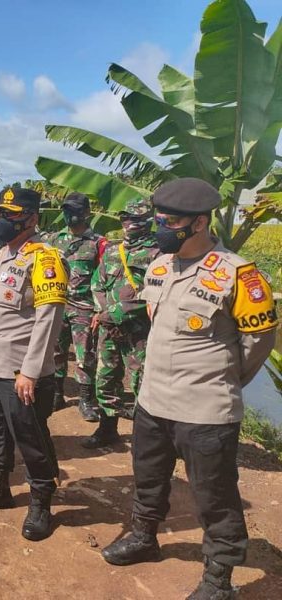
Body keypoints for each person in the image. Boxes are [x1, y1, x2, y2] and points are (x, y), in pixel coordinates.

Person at [100, 178, 278, 599]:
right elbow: (155, 321)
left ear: (199, 223)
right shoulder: (161, 265)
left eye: (170, 221)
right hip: (153, 401)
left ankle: (219, 579)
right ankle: (144, 537)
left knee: (214, 497)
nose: (161, 227)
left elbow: (259, 342)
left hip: (205, 411)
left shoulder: (238, 274)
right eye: (159, 219)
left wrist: (223, 381)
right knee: (148, 479)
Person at [0, 187, 65, 542]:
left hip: (22, 371)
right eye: (1, 214)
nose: (3, 221)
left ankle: (40, 502)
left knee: (31, 437)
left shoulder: (45, 258)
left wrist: (31, 371)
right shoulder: (3, 255)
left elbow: (48, 319)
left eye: (12, 215)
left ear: (32, 219)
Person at [83, 198, 160, 448]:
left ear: (148, 221)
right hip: (108, 326)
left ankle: (144, 435)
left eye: (135, 220)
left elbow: (154, 292)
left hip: (138, 329)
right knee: (105, 376)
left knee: (141, 380)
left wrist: (114, 313)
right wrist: (102, 310)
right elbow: (98, 282)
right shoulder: (115, 250)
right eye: (126, 219)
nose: (129, 225)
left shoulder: (159, 254)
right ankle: (107, 429)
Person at [45, 192, 105, 419]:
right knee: (56, 351)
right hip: (58, 305)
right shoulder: (54, 240)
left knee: (85, 354)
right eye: (67, 210)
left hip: (84, 307)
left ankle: (85, 399)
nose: (71, 216)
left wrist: (100, 309)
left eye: (76, 211)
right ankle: (57, 394)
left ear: (87, 213)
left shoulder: (98, 243)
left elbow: (102, 279)